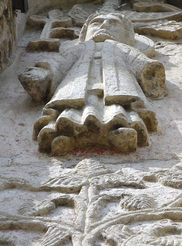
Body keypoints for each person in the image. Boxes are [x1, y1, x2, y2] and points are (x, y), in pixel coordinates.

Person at [19, 12, 166, 155]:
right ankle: (64, 136)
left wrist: (151, 71)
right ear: (84, 33)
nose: (104, 26)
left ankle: (118, 132)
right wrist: (42, 73)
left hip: (115, 84)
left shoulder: (122, 48)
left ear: (127, 35)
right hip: (77, 84)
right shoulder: (80, 48)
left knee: (115, 108)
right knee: (72, 111)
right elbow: (59, 63)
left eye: (114, 23)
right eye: (96, 22)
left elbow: (140, 62)